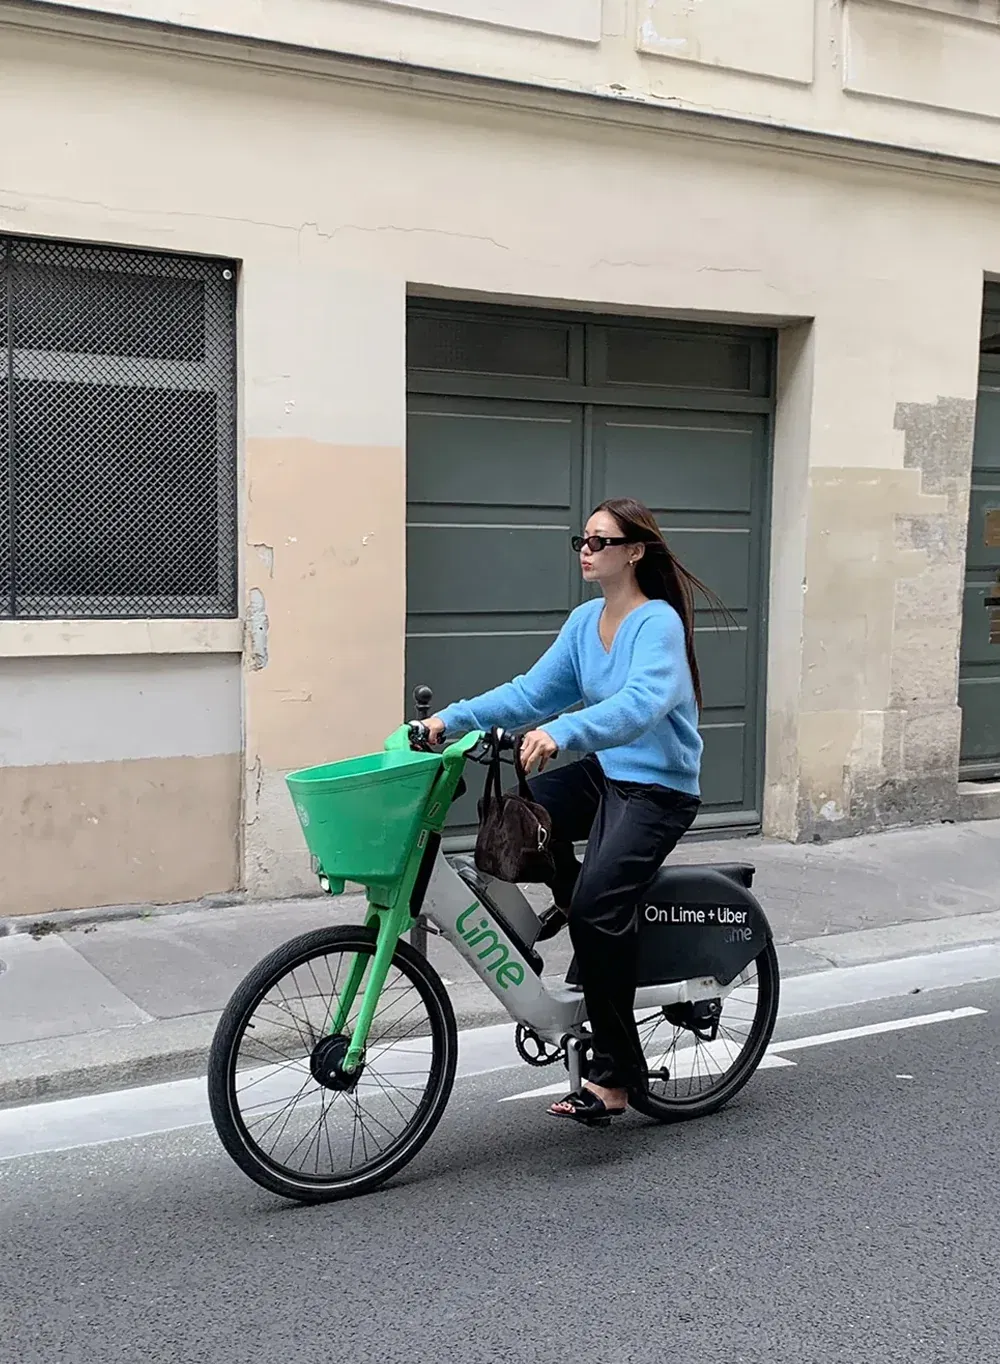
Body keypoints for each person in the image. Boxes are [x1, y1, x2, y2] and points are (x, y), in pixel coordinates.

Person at [421, 497, 720, 1127]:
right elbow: (530, 693)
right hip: (608, 774)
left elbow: (640, 705)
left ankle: (616, 1075)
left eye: (600, 541)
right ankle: (584, 909)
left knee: (596, 909)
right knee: (514, 819)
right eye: (582, 540)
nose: (586, 550)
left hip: (658, 789)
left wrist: (563, 733)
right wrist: (450, 720)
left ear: (634, 552)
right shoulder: (587, 622)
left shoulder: (657, 623)